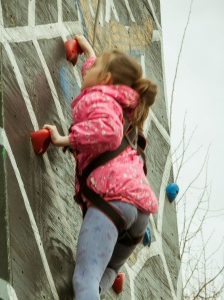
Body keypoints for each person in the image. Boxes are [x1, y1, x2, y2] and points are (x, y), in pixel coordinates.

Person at [43, 35, 158, 299]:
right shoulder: (122, 104)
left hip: (113, 200)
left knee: (84, 279)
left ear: (105, 78)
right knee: (107, 270)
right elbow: (99, 80)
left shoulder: (98, 99)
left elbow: (107, 131)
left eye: (93, 68)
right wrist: (90, 53)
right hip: (139, 213)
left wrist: (65, 139)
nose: (88, 71)